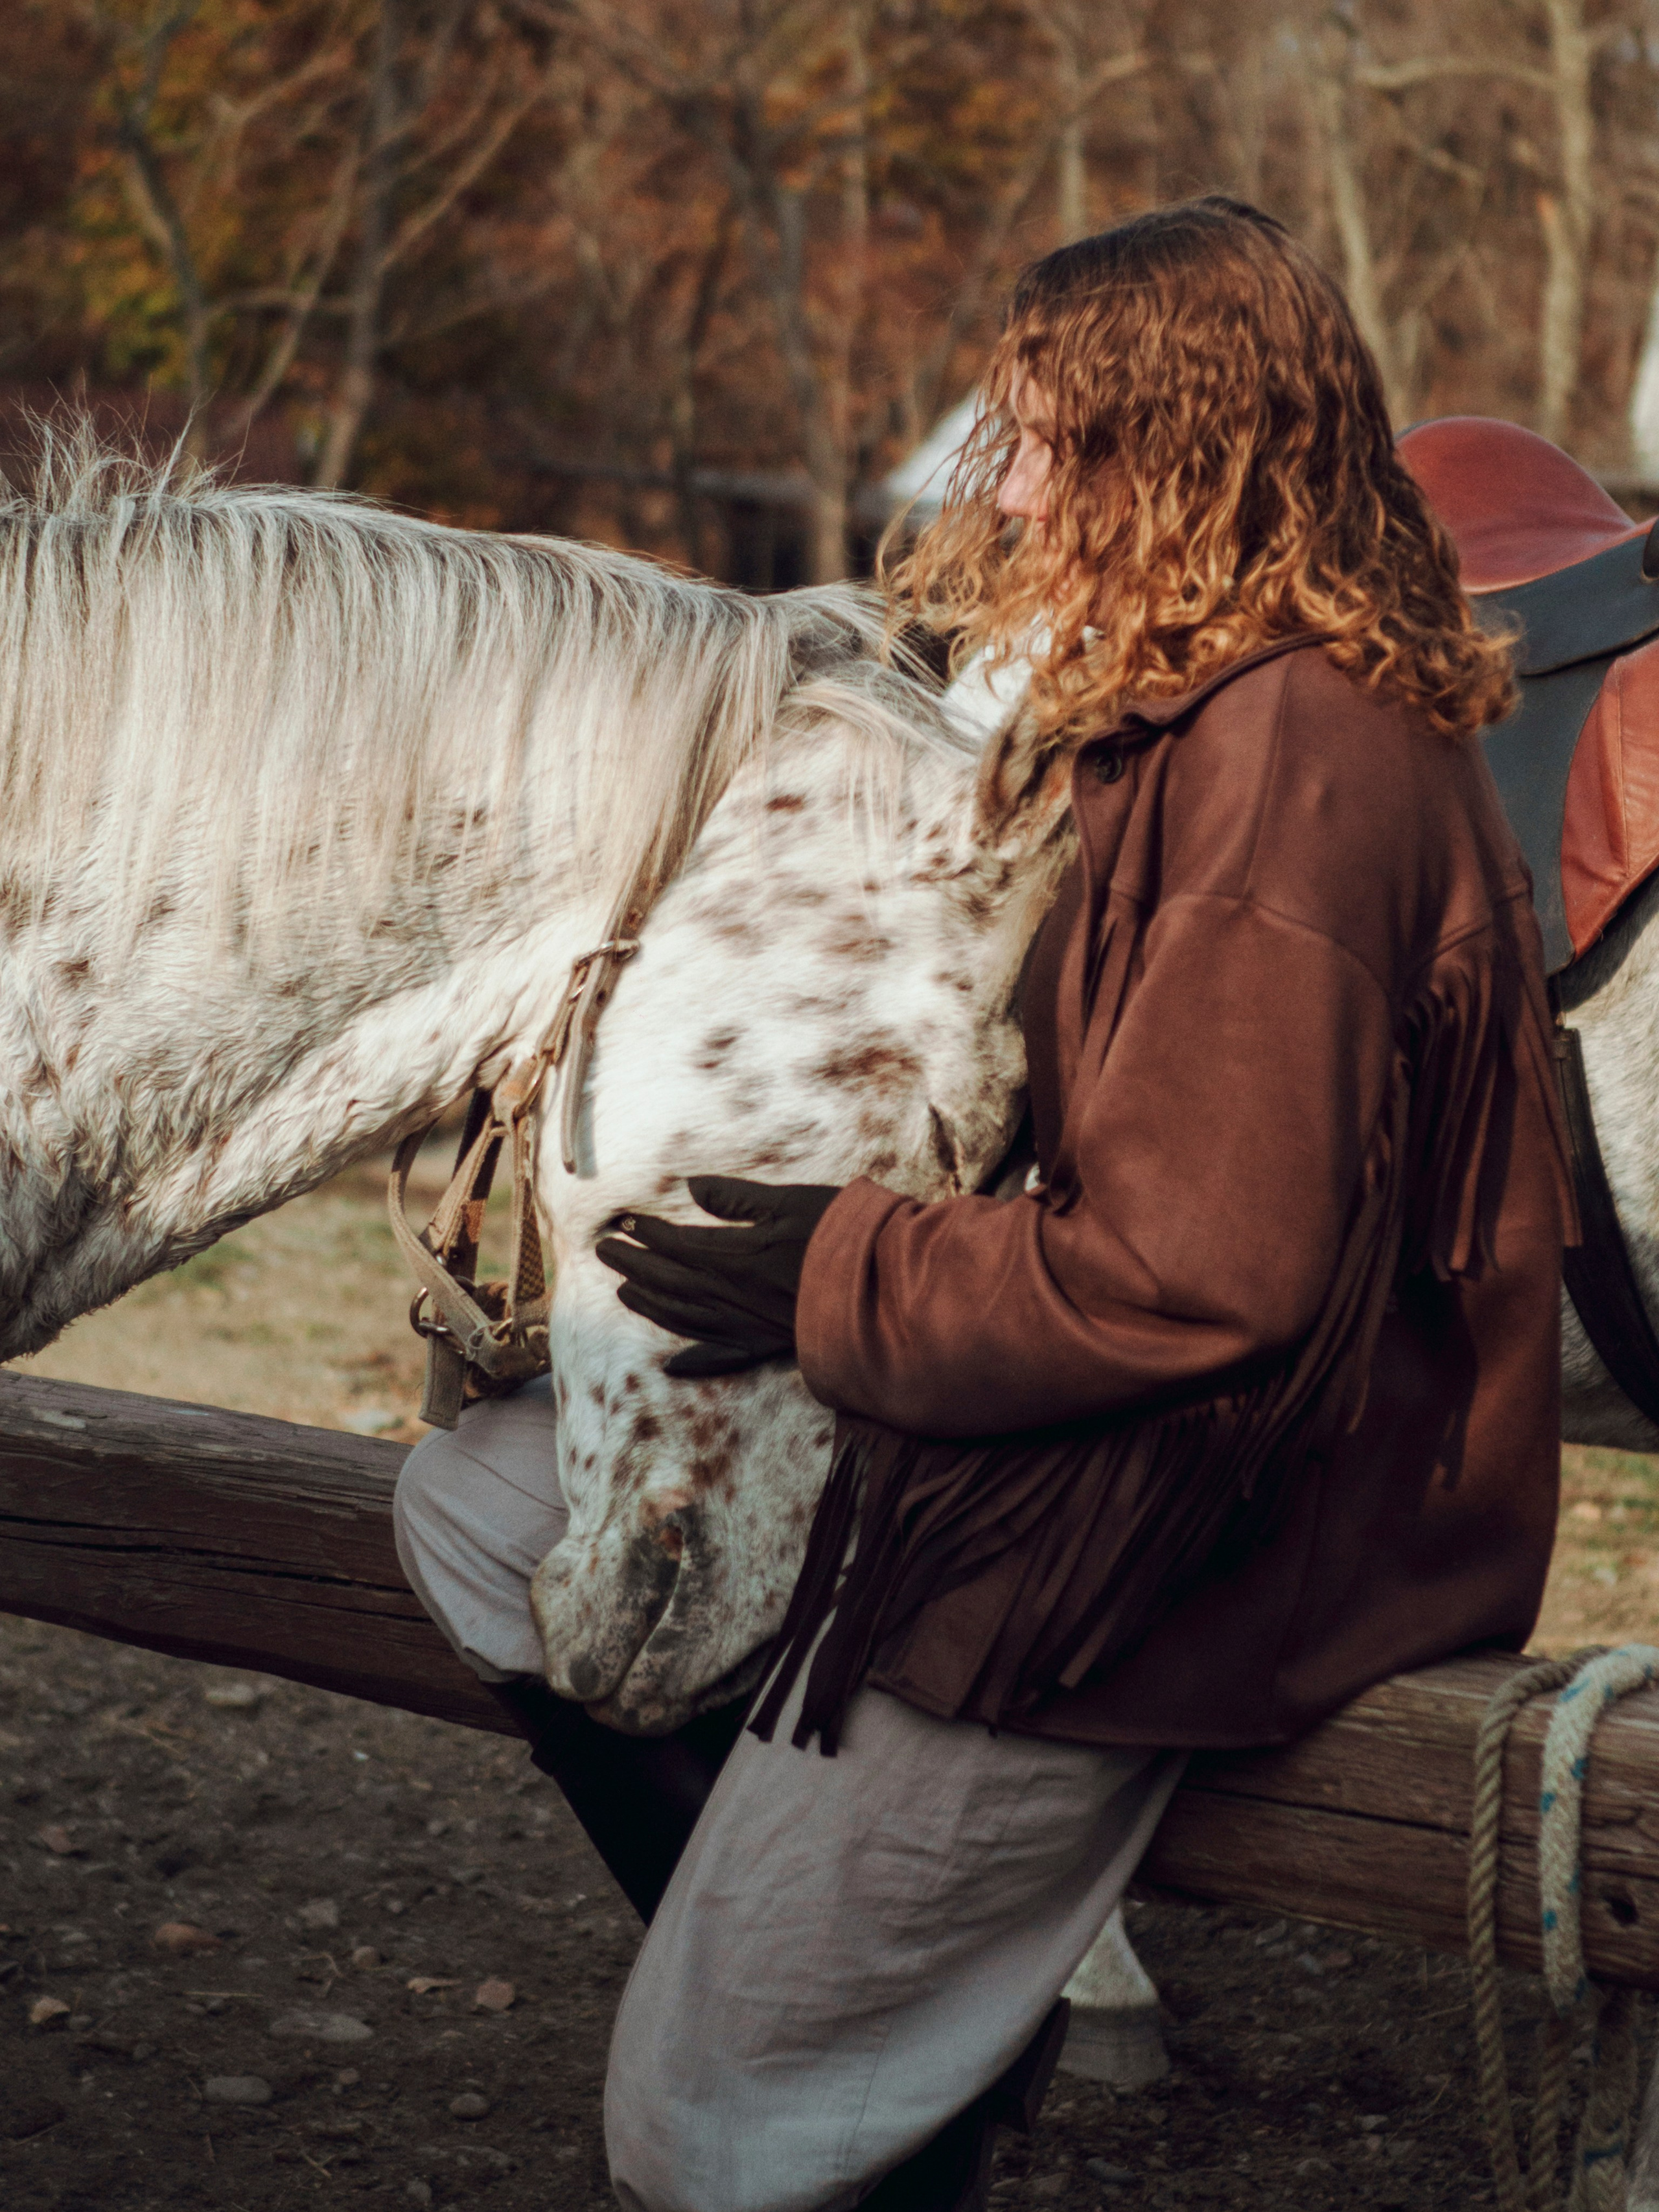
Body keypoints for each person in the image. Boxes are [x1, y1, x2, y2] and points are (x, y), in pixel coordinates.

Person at [395, 196, 1572, 2212]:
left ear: (1180, 453)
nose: (998, 490)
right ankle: (887, 1981)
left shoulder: (1288, 765)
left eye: (1040, 444)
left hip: (1216, 1521)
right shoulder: (1199, 699)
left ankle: (856, 2050)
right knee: (480, 1501)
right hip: (1116, 1439)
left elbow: (1204, 1278)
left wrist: (833, 1273)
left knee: (696, 2126)